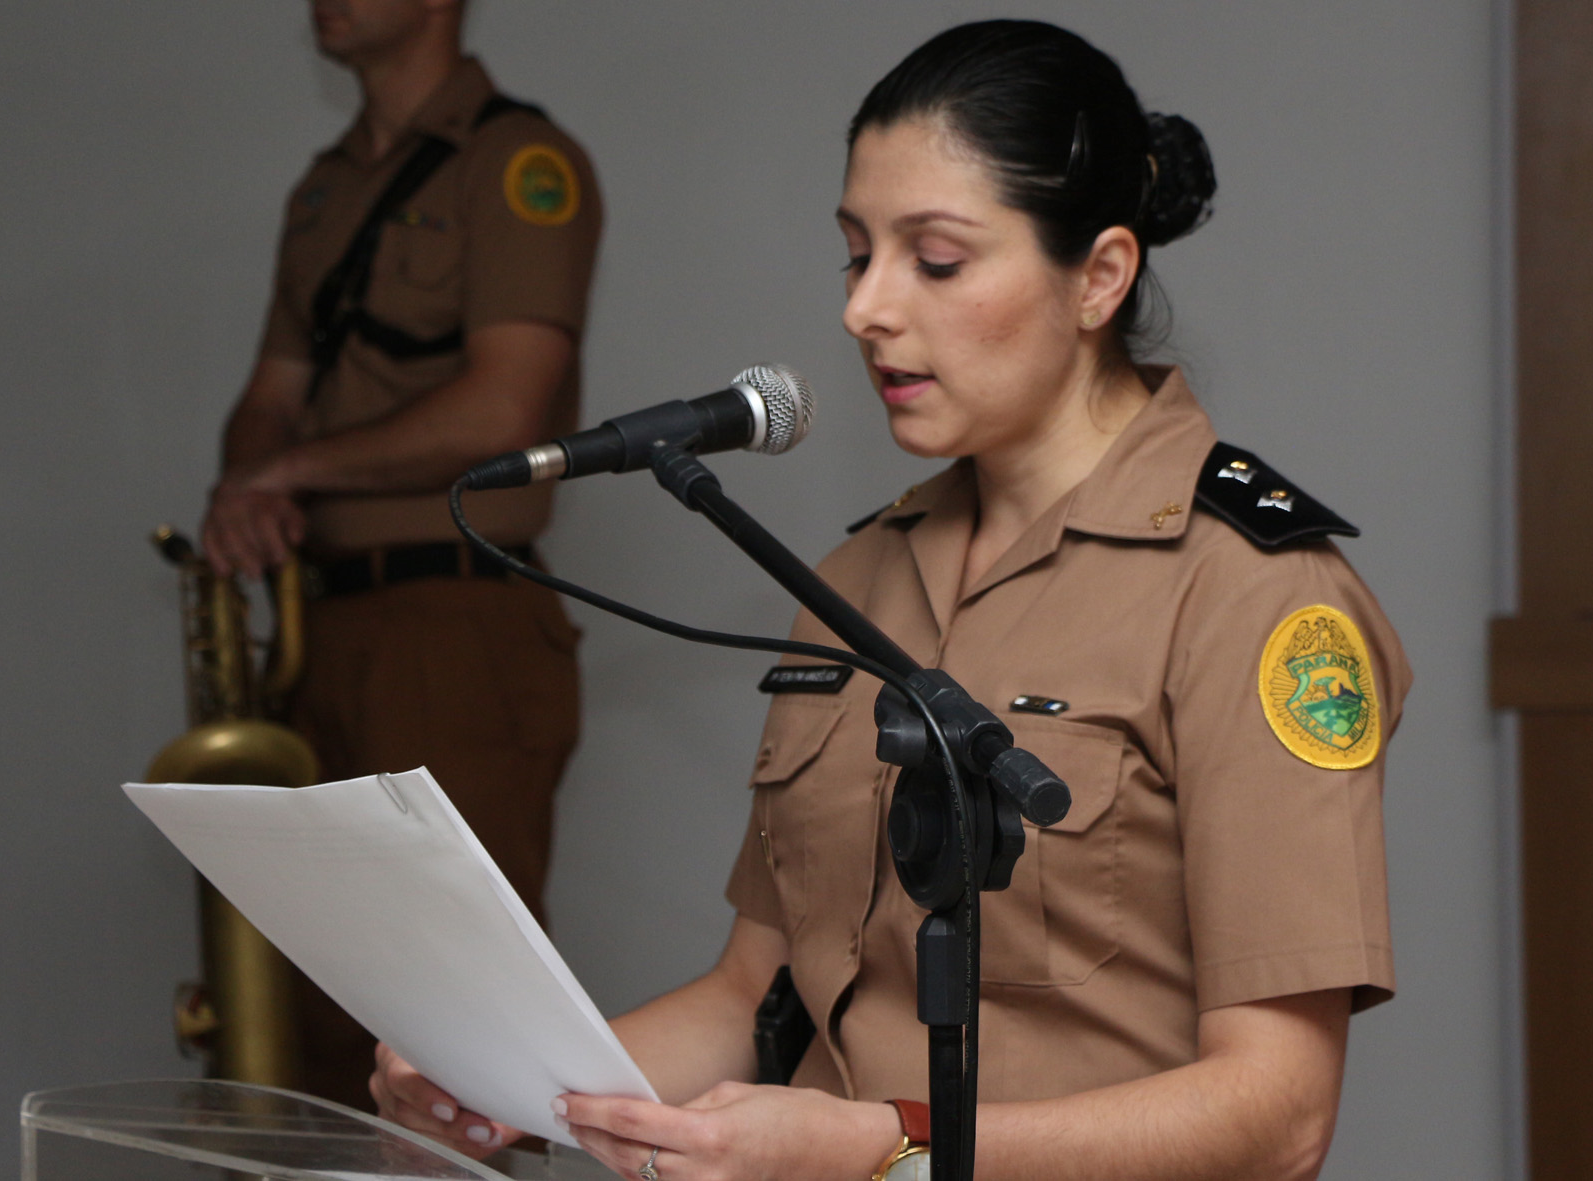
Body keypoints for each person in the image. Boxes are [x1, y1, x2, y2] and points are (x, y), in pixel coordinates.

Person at [373, 19, 1408, 1179]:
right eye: (854, 255)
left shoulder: (1253, 591)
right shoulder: (854, 577)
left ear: (1098, 277)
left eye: (936, 260)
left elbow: (1278, 1116)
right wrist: (504, 1088)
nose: (865, 308)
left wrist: (883, 1145)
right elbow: (746, 994)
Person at [199, 0, 601, 1107]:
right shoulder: (322, 188)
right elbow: (270, 395)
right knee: (320, 1013)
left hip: (453, 623)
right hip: (321, 624)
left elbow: (503, 409)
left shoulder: (518, 163)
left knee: (459, 1026)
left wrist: (287, 473)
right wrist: (246, 487)